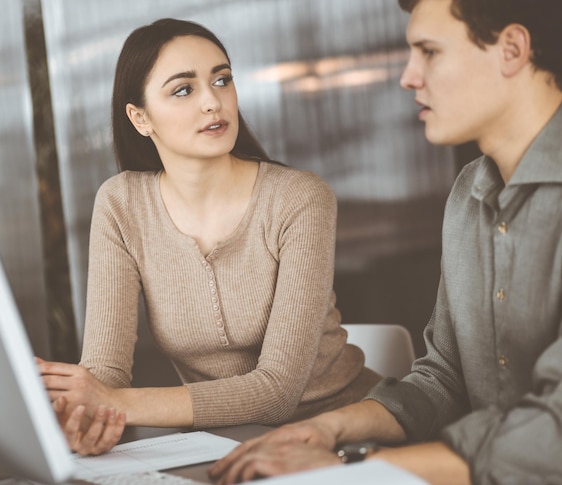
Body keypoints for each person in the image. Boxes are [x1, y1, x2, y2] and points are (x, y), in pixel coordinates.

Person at [209, 0, 562, 483]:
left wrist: (354, 469)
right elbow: (443, 379)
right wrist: (329, 429)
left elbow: (553, 436)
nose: (408, 77)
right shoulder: (467, 194)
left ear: (512, 49)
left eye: (429, 52)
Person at [37, 18, 381, 456]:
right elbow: (105, 370)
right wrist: (84, 414)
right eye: (184, 89)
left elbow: (276, 392)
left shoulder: (299, 198)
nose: (212, 102)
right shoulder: (121, 204)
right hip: (224, 444)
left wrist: (118, 404)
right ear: (140, 118)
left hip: (347, 434)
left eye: (222, 80)